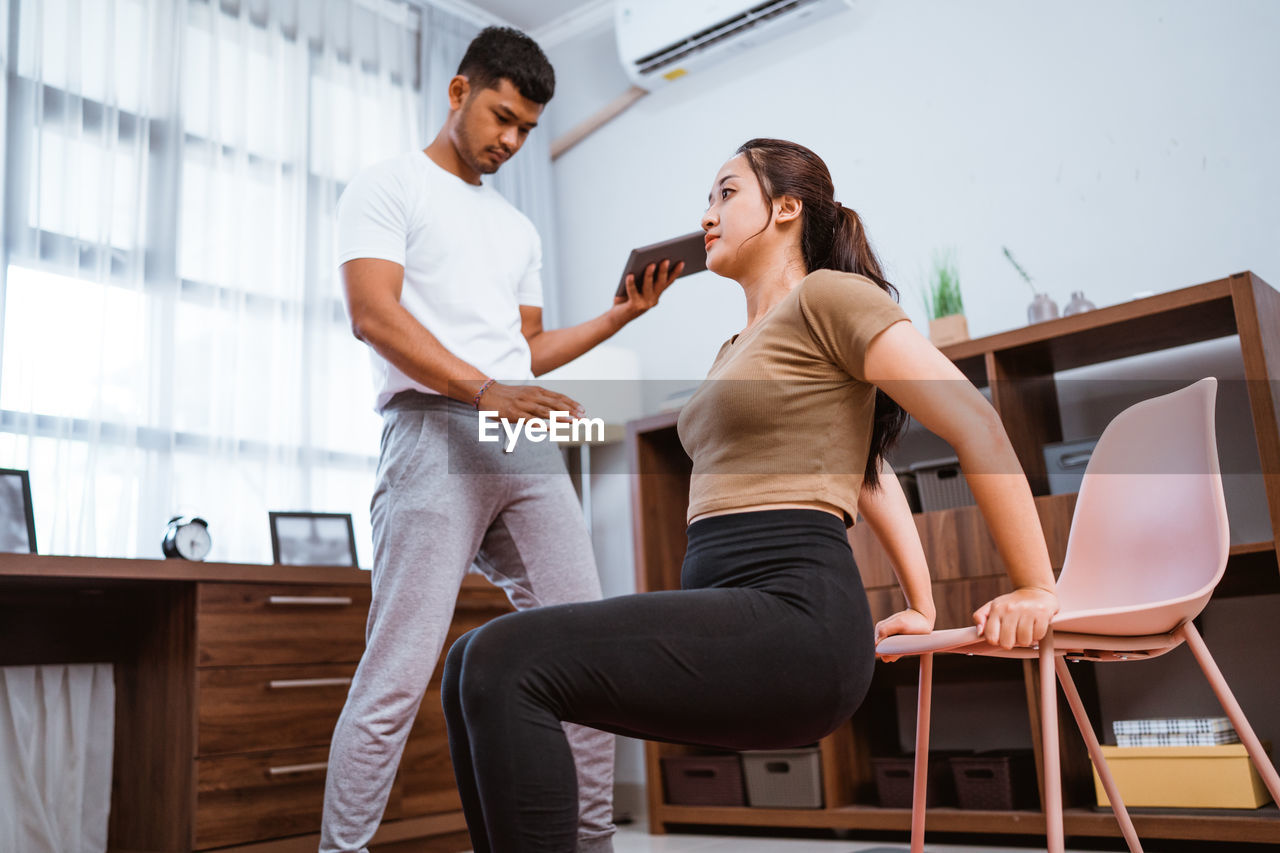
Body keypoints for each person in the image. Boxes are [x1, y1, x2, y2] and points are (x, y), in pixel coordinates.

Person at [440, 138, 1061, 851]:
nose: (708, 214)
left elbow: (975, 420)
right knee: (469, 665)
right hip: (740, 616)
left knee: (503, 660)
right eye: (707, 199)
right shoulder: (734, 348)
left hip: (797, 618)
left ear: (788, 207)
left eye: (726, 193)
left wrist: (1036, 586)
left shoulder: (829, 297)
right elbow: (869, 468)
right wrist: (918, 600)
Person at [320, 27, 681, 853]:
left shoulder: (519, 230)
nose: (511, 141)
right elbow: (374, 315)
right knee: (397, 675)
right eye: (501, 117)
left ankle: (592, 845)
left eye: (525, 129)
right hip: (432, 435)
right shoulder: (386, 187)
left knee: (590, 657)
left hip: (522, 448)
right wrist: (486, 388)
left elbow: (524, 350)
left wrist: (620, 316)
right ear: (458, 91)